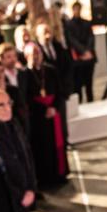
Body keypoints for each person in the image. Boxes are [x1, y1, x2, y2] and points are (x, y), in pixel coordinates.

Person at [0, 89, 36, 207]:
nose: (8, 108)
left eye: (9, 103)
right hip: (5, 200)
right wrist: (19, 196)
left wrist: (31, 187)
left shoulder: (14, 123)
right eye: (1, 105)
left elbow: (26, 154)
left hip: (25, 192)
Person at [22, 42, 70, 188]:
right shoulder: (25, 75)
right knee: (42, 148)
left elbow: (60, 92)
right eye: (31, 54)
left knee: (58, 145)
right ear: (26, 56)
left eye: (37, 53)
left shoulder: (51, 70)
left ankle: (59, 174)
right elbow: (26, 98)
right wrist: (43, 110)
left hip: (54, 114)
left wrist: (54, 108)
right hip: (38, 118)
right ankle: (45, 178)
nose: (35, 56)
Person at [66, 0, 98, 103]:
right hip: (78, 60)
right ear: (73, 10)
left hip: (89, 58)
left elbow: (91, 38)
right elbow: (72, 41)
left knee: (89, 84)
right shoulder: (68, 25)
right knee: (77, 85)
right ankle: (79, 105)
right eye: (75, 9)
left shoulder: (87, 23)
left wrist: (88, 51)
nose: (77, 11)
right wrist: (83, 51)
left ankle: (91, 103)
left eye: (79, 9)